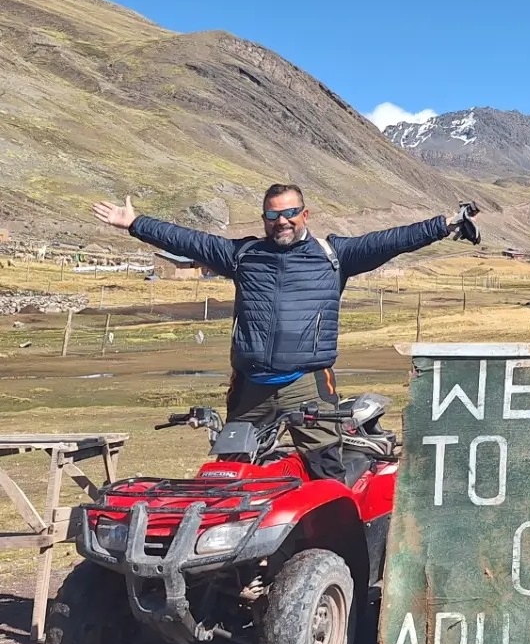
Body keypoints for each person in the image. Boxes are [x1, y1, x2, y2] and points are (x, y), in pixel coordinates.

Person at [92, 183, 482, 479]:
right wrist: (134, 223)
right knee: (231, 475)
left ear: (305, 214)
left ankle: (338, 563)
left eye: (290, 212)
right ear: (264, 219)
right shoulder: (243, 255)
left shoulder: (334, 255)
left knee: (326, 471)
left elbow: (391, 240)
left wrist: (445, 225)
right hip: (250, 387)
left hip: (307, 383)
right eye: (272, 214)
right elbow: (187, 239)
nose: (281, 220)